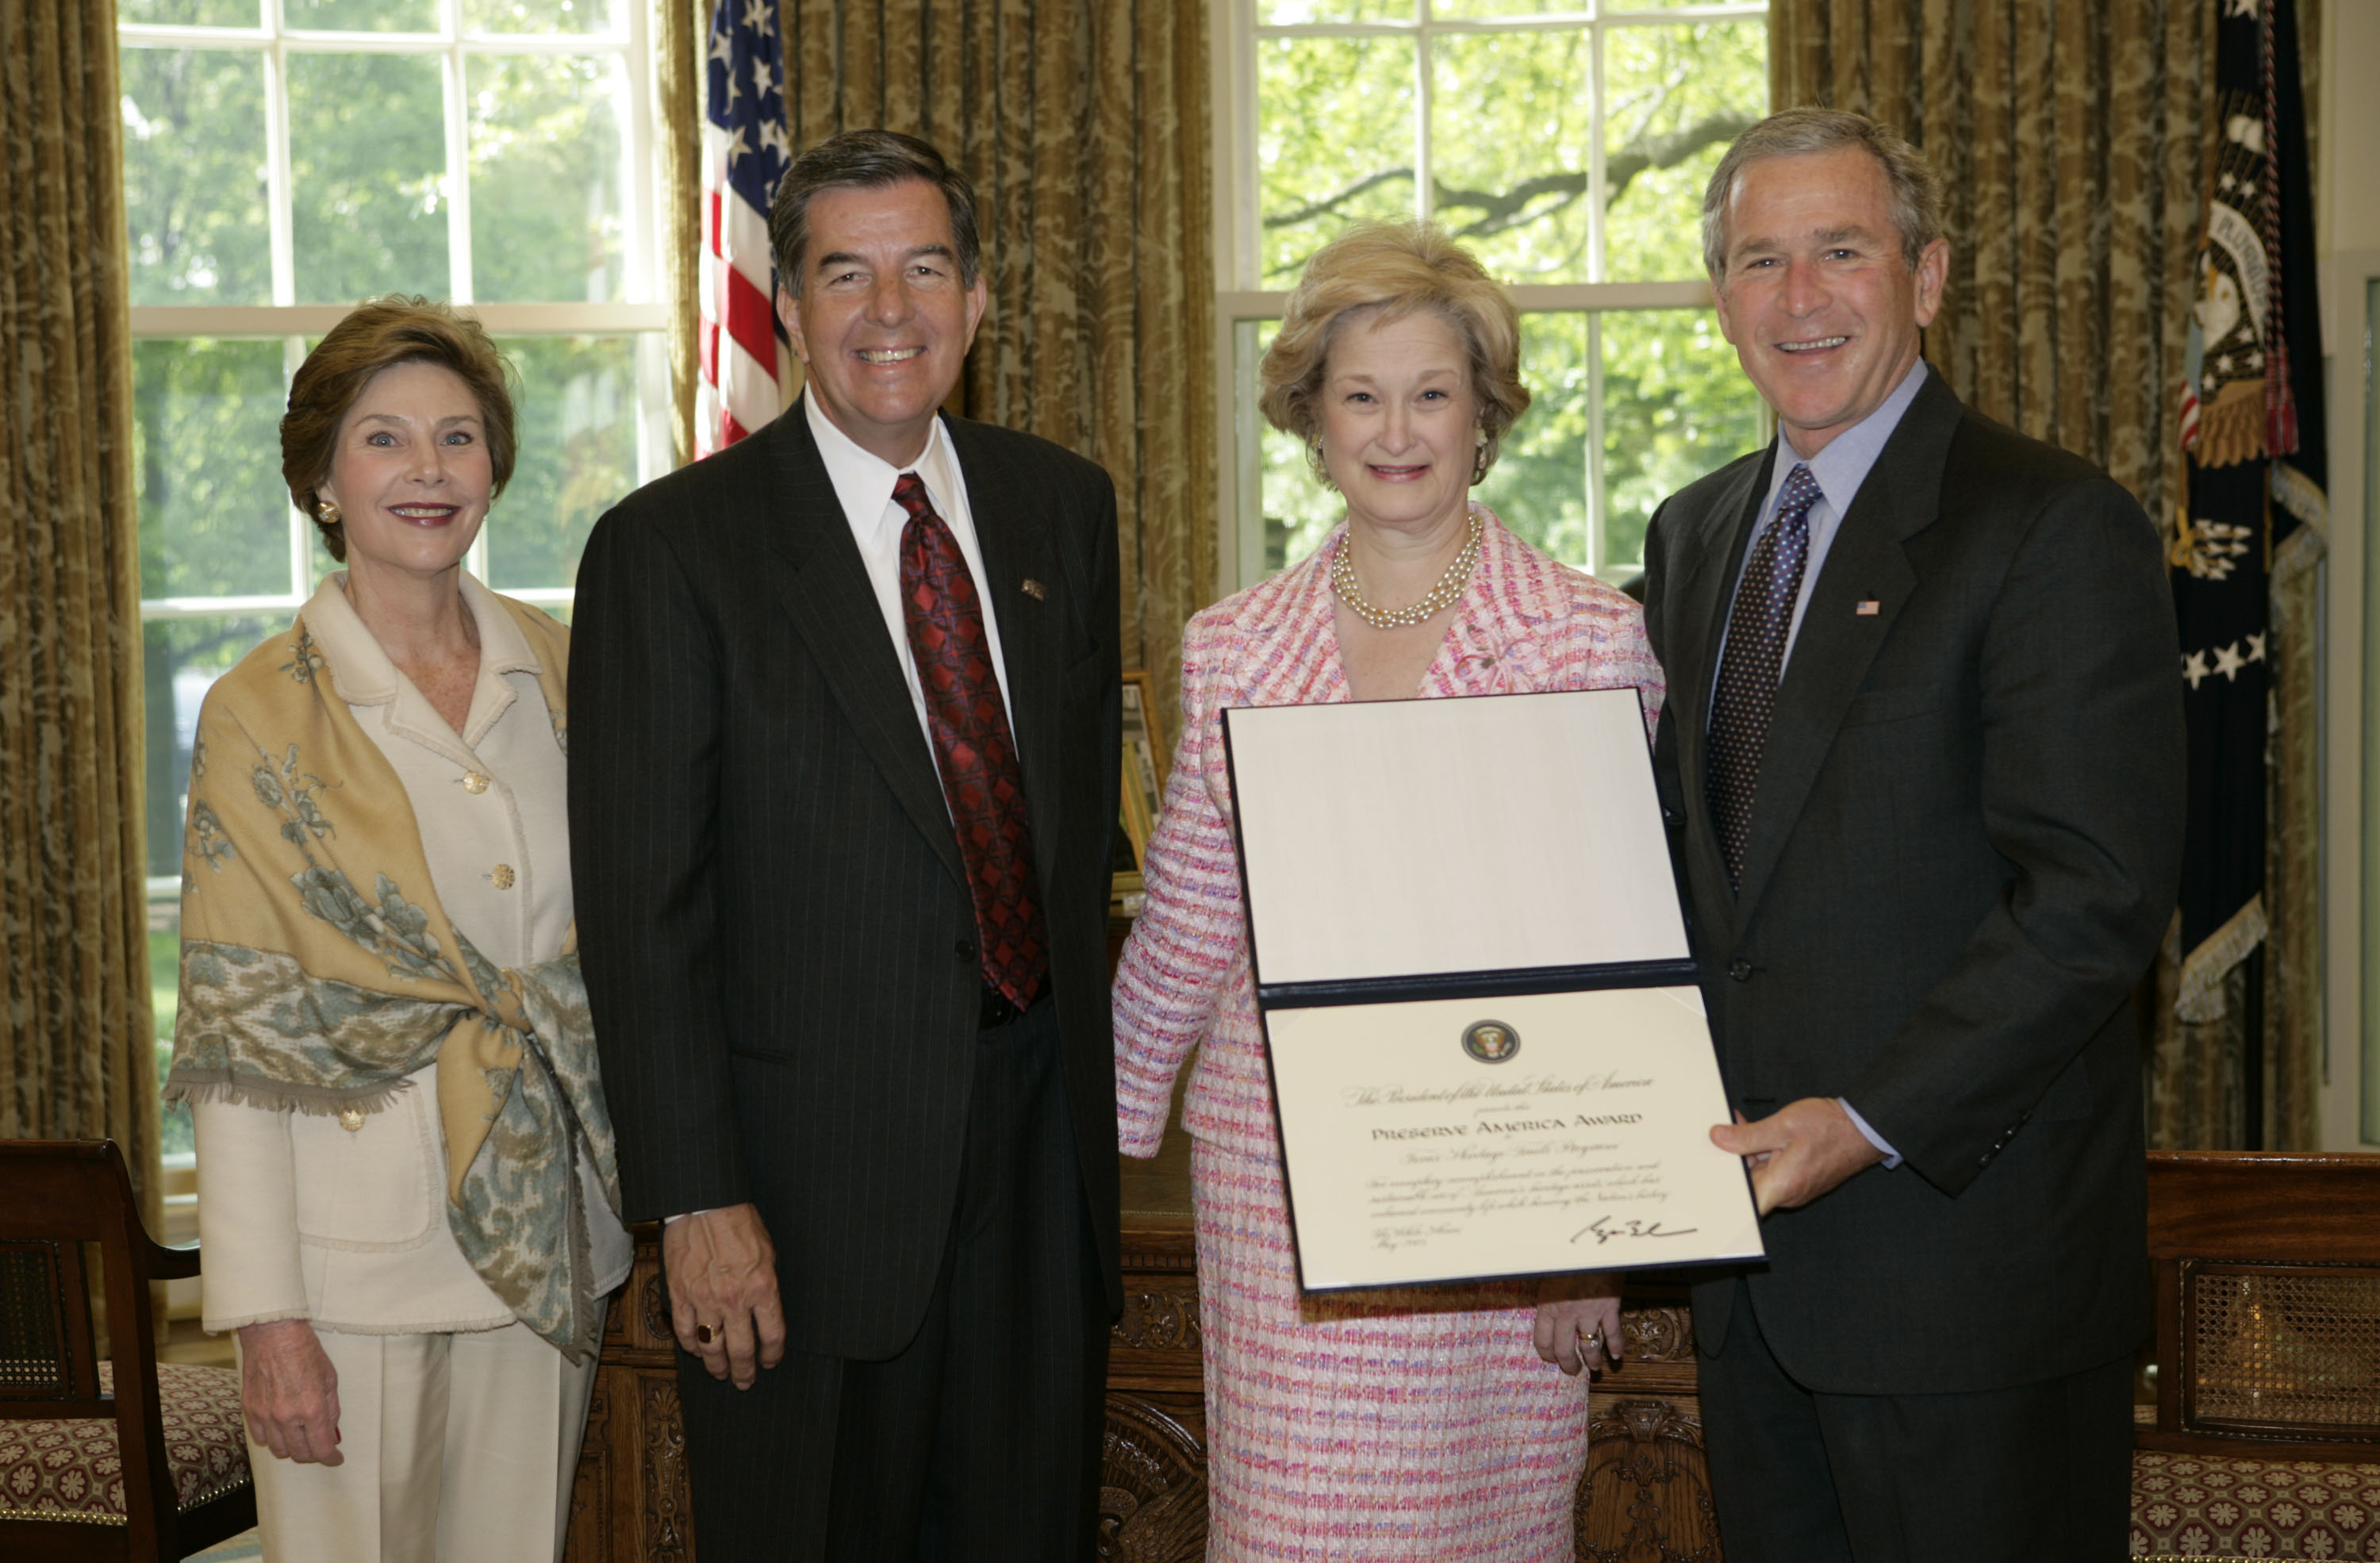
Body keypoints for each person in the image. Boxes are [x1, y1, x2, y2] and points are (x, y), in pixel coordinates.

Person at [567, 129, 1123, 1561]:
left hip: (1036, 1178)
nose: (892, 311)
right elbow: (645, 910)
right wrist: (695, 1197)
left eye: (926, 268)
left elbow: (1070, 854)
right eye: (848, 273)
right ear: (791, 307)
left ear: (979, 297)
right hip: (800, 1208)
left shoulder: (1063, 504)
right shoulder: (670, 549)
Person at [1640, 108, 2185, 1561]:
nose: (1800, 297)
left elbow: (2096, 898)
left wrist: (1869, 1119)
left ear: (1928, 275)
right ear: (1720, 295)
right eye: (1761, 259)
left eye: (1842, 251)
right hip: (1750, 1284)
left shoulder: (2053, 525)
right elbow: (1685, 876)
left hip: (1967, 1281)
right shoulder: (1693, 537)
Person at [1111, 219, 1661, 1561]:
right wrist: (1080, 1156)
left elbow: (1628, 957)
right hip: (1283, 1207)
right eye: (1362, 394)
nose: (1397, 428)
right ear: (1313, 415)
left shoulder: (1590, 636)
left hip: (1500, 1211)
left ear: (1485, 416)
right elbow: (1187, 922)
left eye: (1431, 392)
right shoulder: (1234, 641)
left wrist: (1590, 1241)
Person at [167, 297, 631, 1562]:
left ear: (494, 468)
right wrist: (265, 1316)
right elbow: (237, 1032)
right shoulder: (260, 712)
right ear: (322, 476)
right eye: (384, 439)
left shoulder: (573, 666)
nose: (427, 469)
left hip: (548, 1230)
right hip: (347, 1265)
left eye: (458, 437)